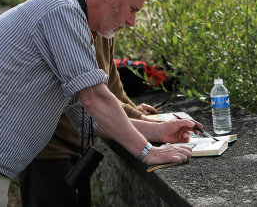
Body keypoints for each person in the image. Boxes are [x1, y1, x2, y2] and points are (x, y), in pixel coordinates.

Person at [0, 0, 201, 207]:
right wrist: (148, 152)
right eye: (132, 9)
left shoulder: (75, 23)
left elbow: (89, 117)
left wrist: (159, 131)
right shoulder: (60, 10)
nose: (132, 22)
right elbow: (94, 99)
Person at [18, 35, 161, 207]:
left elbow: (112, 86)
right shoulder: (68, 28)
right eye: (131, 10)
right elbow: (92, 96)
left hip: (76, 146)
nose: (131, 22)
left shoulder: (104, 31)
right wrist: (145, 122)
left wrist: (134, 111)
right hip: (47, 150)